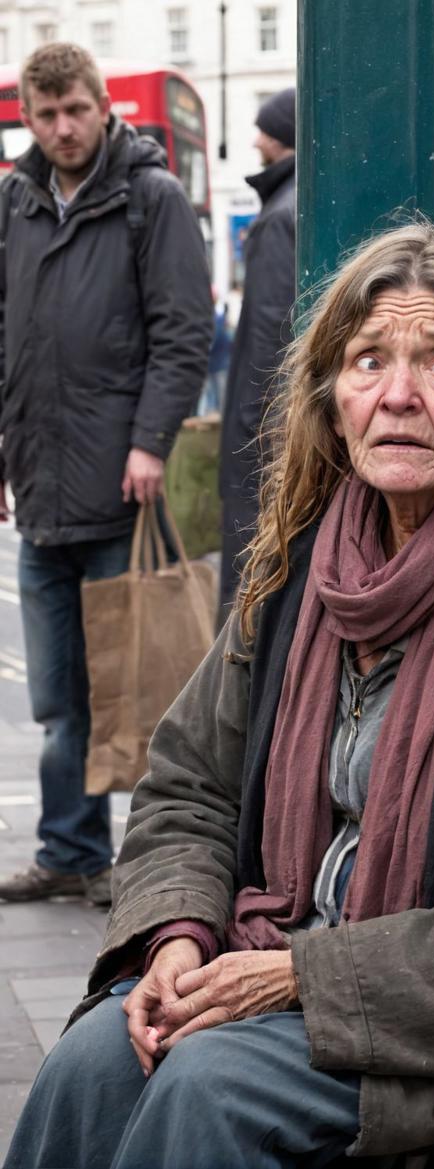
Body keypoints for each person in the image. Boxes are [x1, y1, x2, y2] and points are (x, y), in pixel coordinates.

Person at [4, 223, 434, 1169]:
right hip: (302, 959)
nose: (400, 396)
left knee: (211, 1093)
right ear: (334, 401)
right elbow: (188, 786)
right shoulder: (307, 564)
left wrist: (299, 976)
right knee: (92, 1062)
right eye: (369, 360)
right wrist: (176, 933)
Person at [0, 44, 213, 908]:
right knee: (57, 699)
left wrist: (150, 441)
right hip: (41, 489)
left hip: (121, 489)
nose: (62, 129)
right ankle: (70, 850)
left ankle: (152, 859)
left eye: (75, 111)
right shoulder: (13, 202)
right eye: (45, 116)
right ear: (28, 116)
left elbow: (183, 330)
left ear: (101, 106)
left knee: (136, 688)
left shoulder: (149, 199)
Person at [218, 87, 296, 614]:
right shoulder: (299, 204)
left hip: (263, 451)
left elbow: (267, 349)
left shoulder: (277, 218)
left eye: (263, 131)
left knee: (249, 604)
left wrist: (254, 455)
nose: (254, 141)